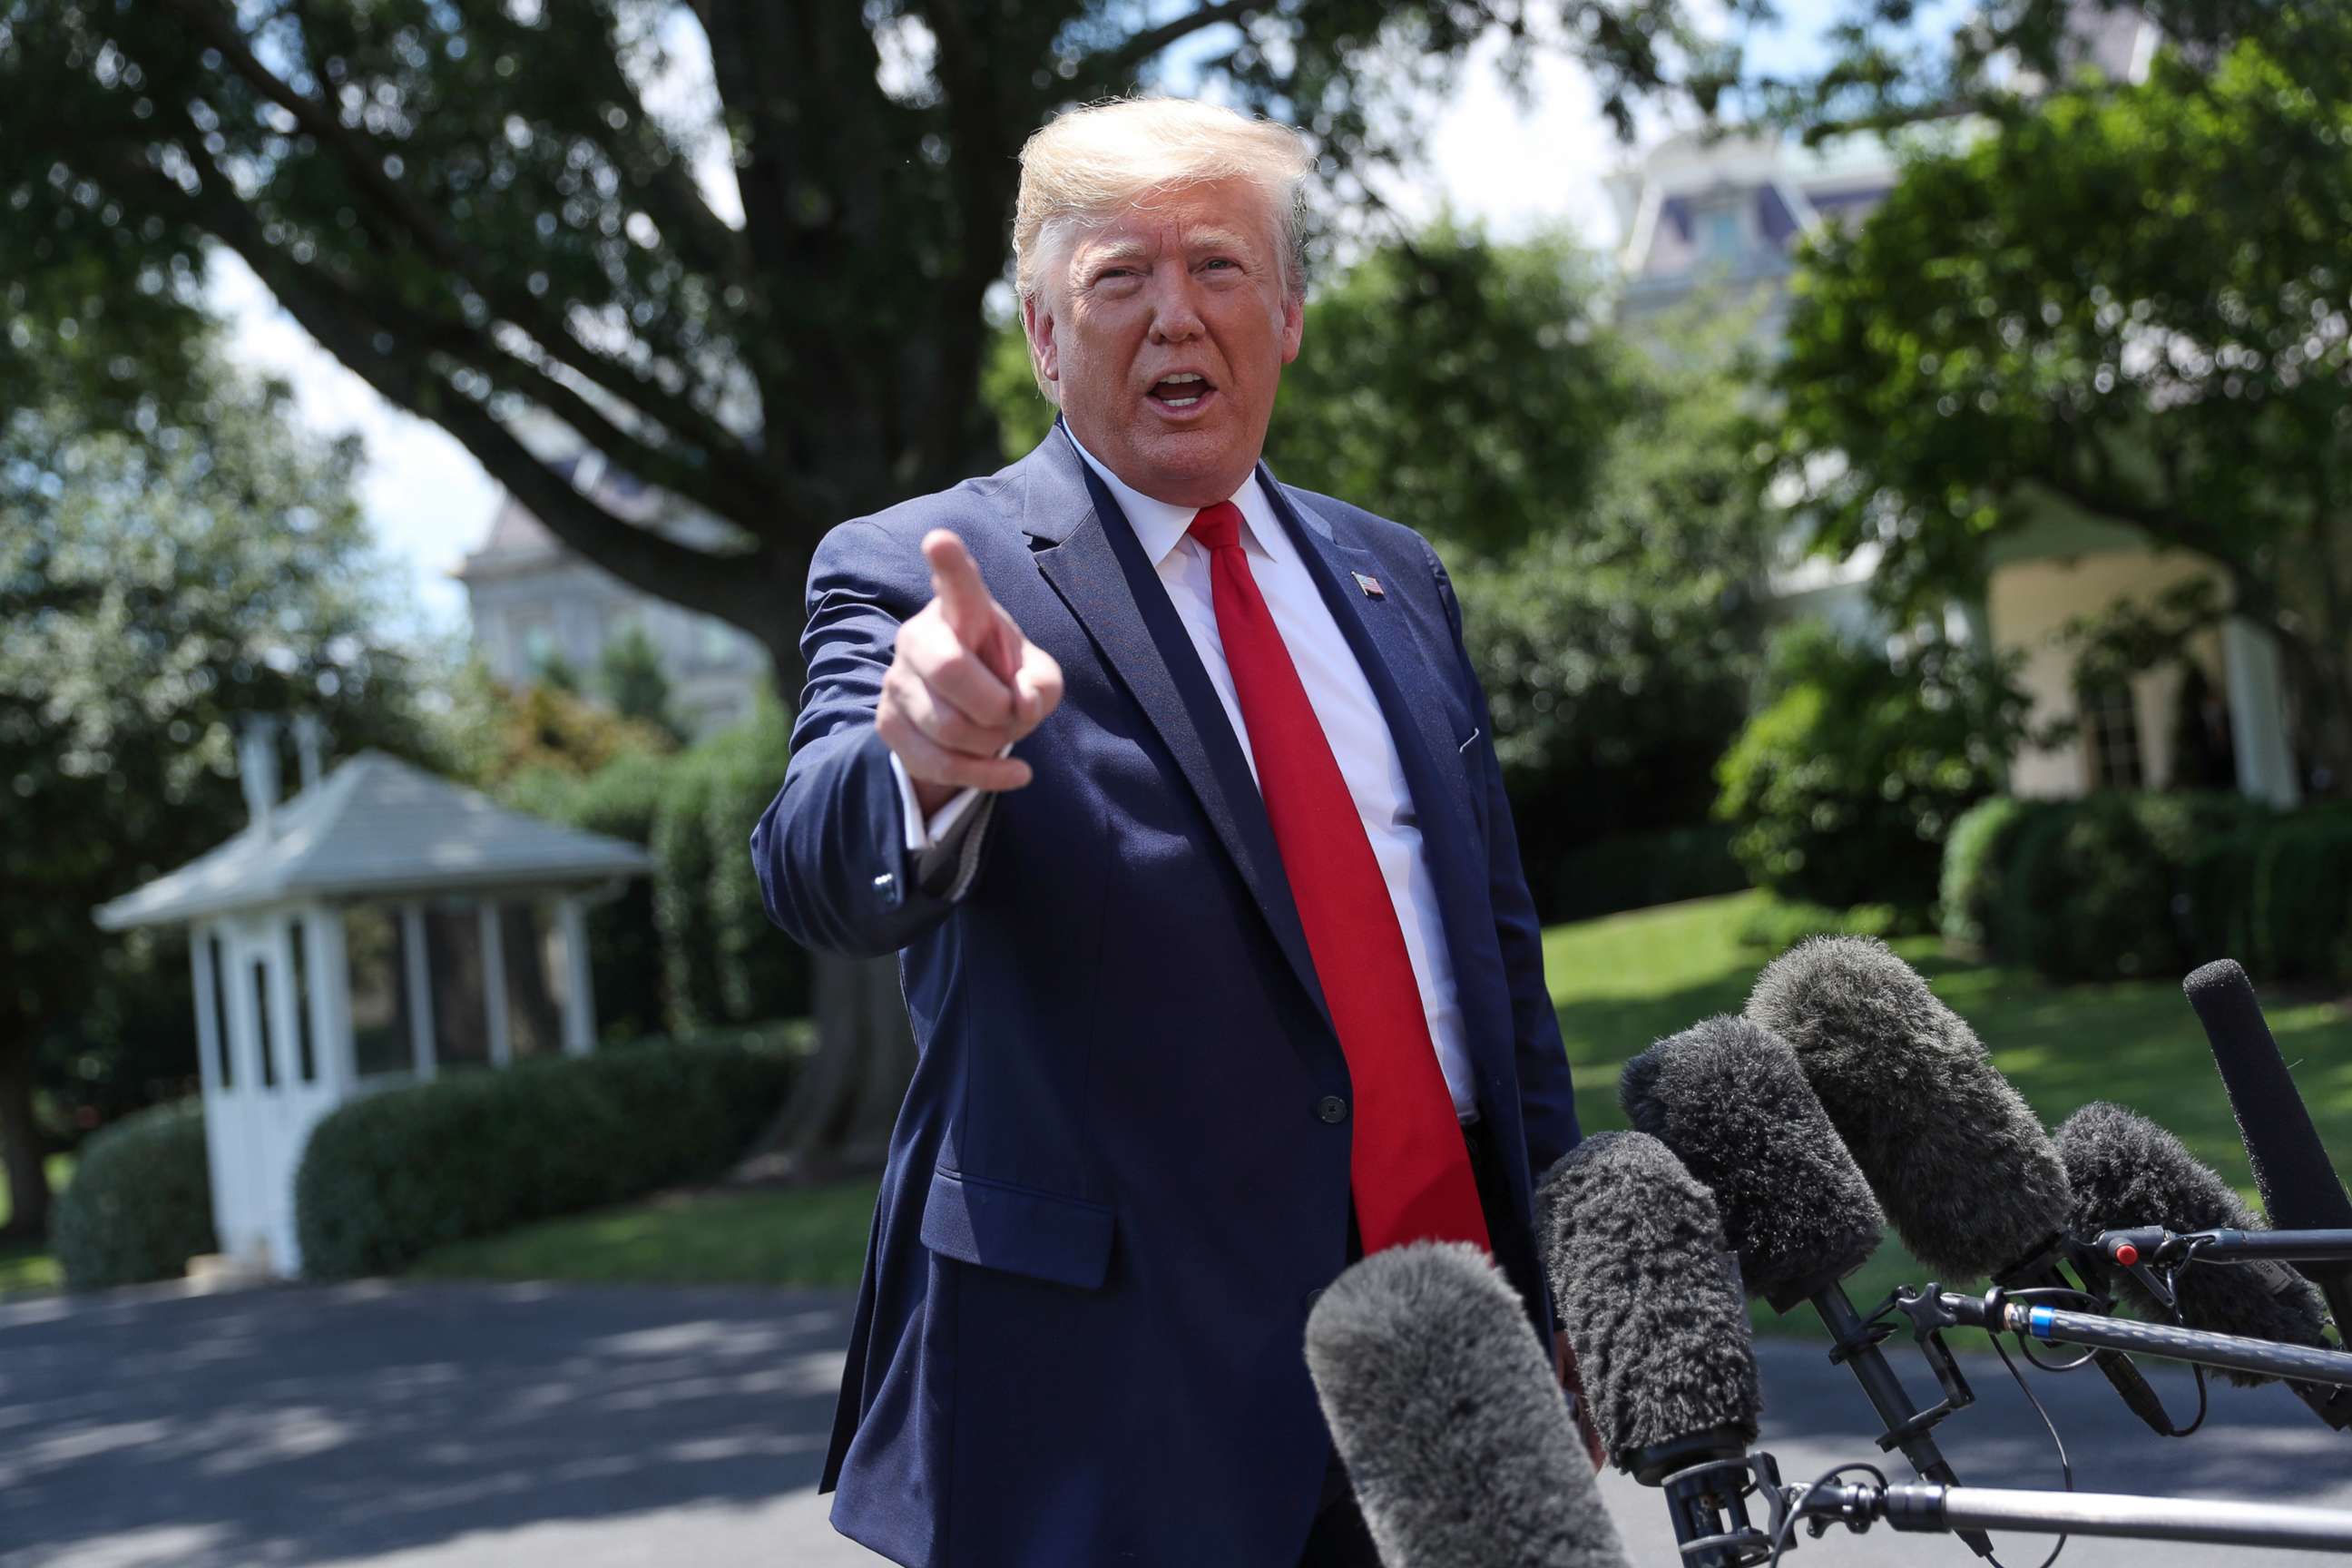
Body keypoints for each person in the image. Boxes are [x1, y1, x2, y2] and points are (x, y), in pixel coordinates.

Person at [750, 96, 1582, 1568]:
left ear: (1290, 313)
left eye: (1216, 268)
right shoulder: (915, 575)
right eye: (1117, 279)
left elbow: (1492, 962)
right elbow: (815, 863)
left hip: (1451, 1348)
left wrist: (1563, 1278)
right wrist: (924, 761)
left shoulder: (1396, 577)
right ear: (1042, 333)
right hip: (1120, 1413)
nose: (1173, 315)